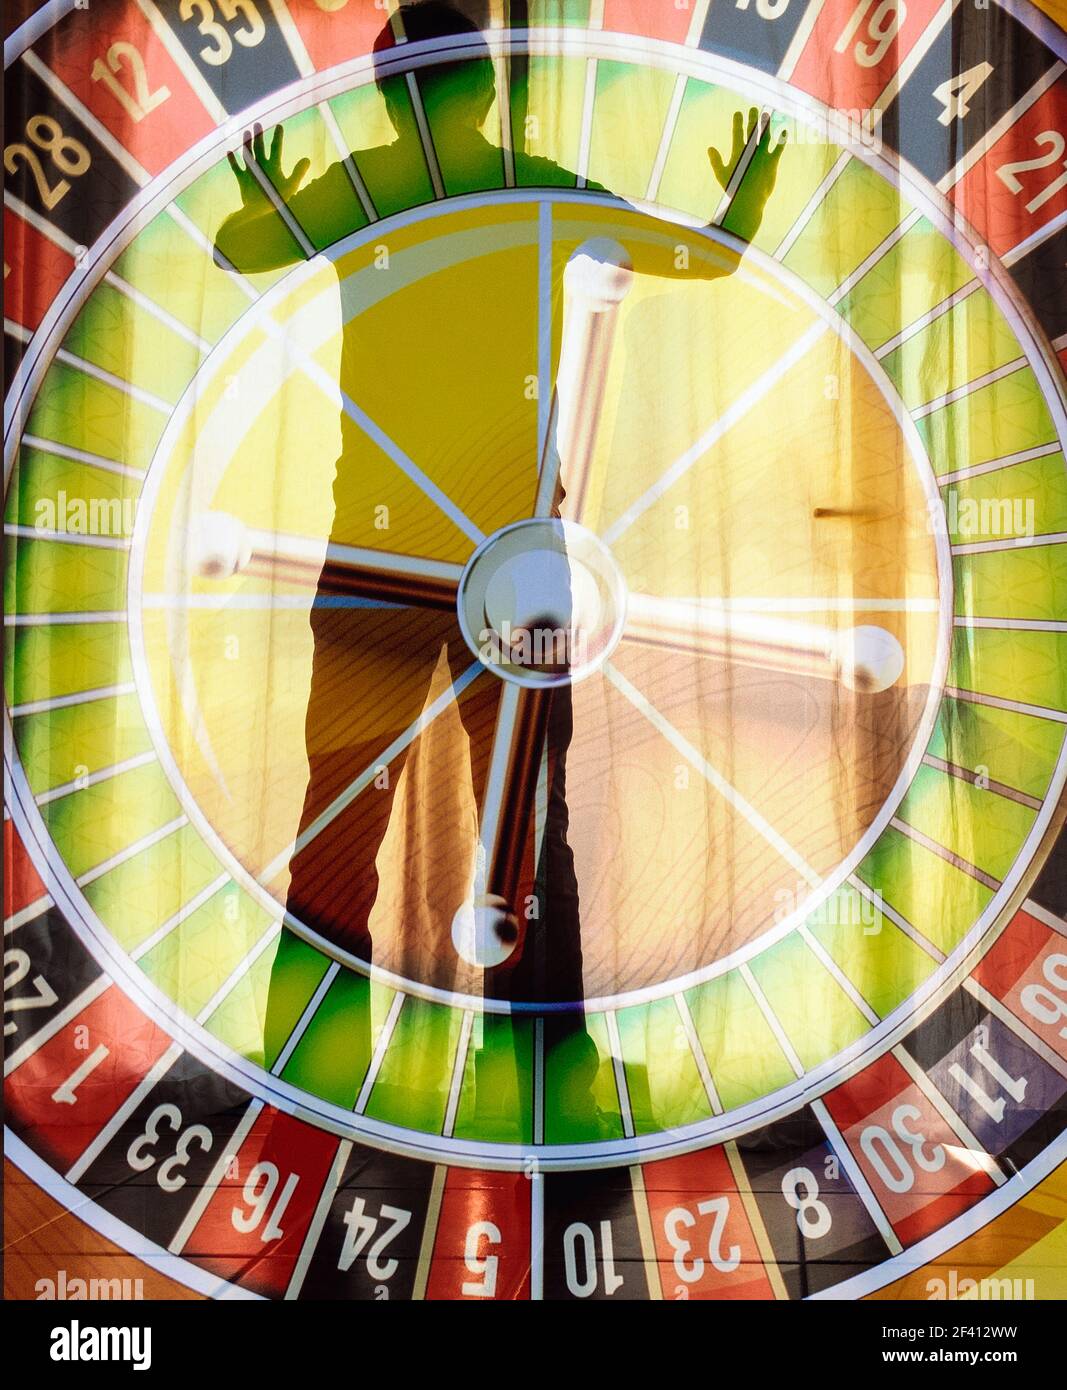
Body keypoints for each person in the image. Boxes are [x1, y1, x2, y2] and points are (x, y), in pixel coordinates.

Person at [215, 3, 785, 1100]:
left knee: (342, 803)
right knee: (522, 814)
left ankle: (304, 1053)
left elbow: (241, 250)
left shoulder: (365, 191)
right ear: (488, 91)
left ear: (390, 94)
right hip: (511, 558)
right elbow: (702, 258)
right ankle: (528, 1050)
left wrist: (265, 202)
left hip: (377, 551)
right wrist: (745, 197)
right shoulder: (533, 183)